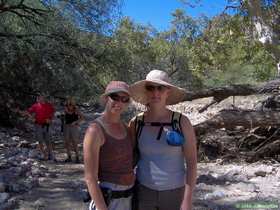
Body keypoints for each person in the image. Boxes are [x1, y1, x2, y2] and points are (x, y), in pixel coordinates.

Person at [129, 70, 197, 210]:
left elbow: (192, 163)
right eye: (150, 87)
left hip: (175, 192)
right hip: (143, 191)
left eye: (160, 88)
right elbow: (130, 157)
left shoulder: (181, 122)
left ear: (168, 92)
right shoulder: (136, 123)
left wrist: (187, 200)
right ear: (146, 91)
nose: (155, 92)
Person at [83, 81, 135, 210]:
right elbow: (90, 177)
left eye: (124, 99)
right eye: (115, 97)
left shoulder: (126, 128)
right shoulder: (95, 130)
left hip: (129, 198)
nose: (119, 103)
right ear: (106, 98)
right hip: (108, 201)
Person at [26, 94, 55, 160]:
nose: (41, 98)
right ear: (38, 98)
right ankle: (43, 154)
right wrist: (32, 118)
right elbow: (28, 112)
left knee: (48, 140)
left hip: (46, 125)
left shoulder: (49, 105)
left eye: (42, 97)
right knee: (40, 140)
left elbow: (52, 113)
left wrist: (50, 119)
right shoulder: (35, 105)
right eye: (40, 97)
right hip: (38, 125)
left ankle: (50, 154)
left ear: (44, 98)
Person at [64, 97, 84, 163]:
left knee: (75, 142)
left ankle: (77, 157)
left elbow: (82, 118)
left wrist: (76, 122)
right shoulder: (65, 108)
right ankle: (69, 157)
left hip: (74, 127)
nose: (70, 105)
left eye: (71, 103)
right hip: (67, 126)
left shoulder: (76, 109)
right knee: (67, 142)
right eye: (69, 103)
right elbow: (65, 116)